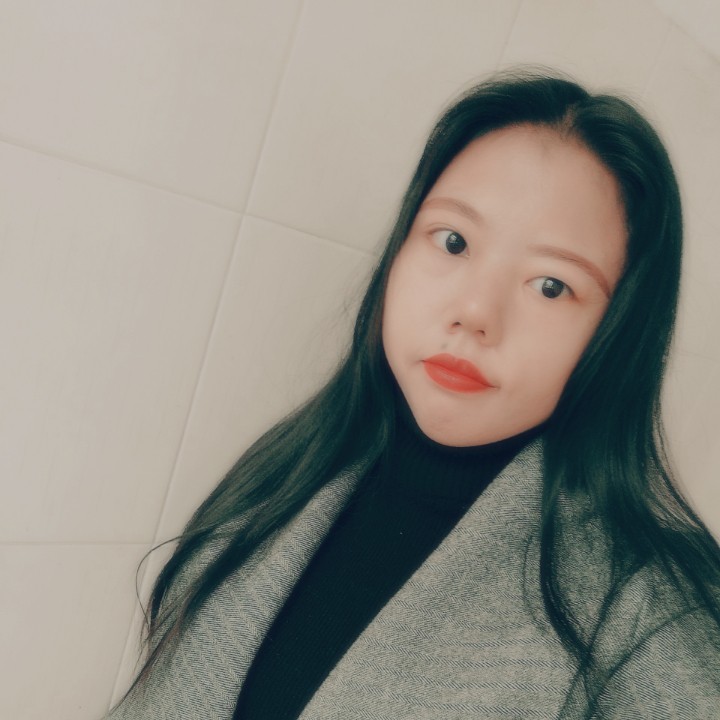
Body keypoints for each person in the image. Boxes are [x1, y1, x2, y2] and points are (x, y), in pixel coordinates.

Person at [108, 69, 720, 719]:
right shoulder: (284, 479)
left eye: (551, 285)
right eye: (454, 242)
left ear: (616, 333)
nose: (476, 312)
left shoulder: (649, 613)